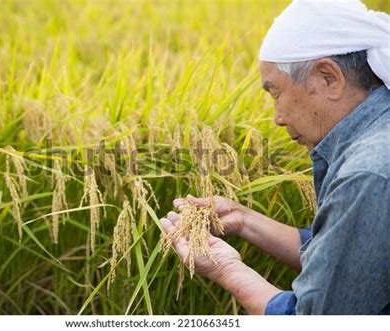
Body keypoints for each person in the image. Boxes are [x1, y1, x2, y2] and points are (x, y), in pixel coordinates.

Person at [160, 0, 390, 315]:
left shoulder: (367, 175)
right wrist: (244, 220)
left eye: (276, 93)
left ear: (329, 78)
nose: (277, 118)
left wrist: (225, 268)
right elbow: (342, 251)